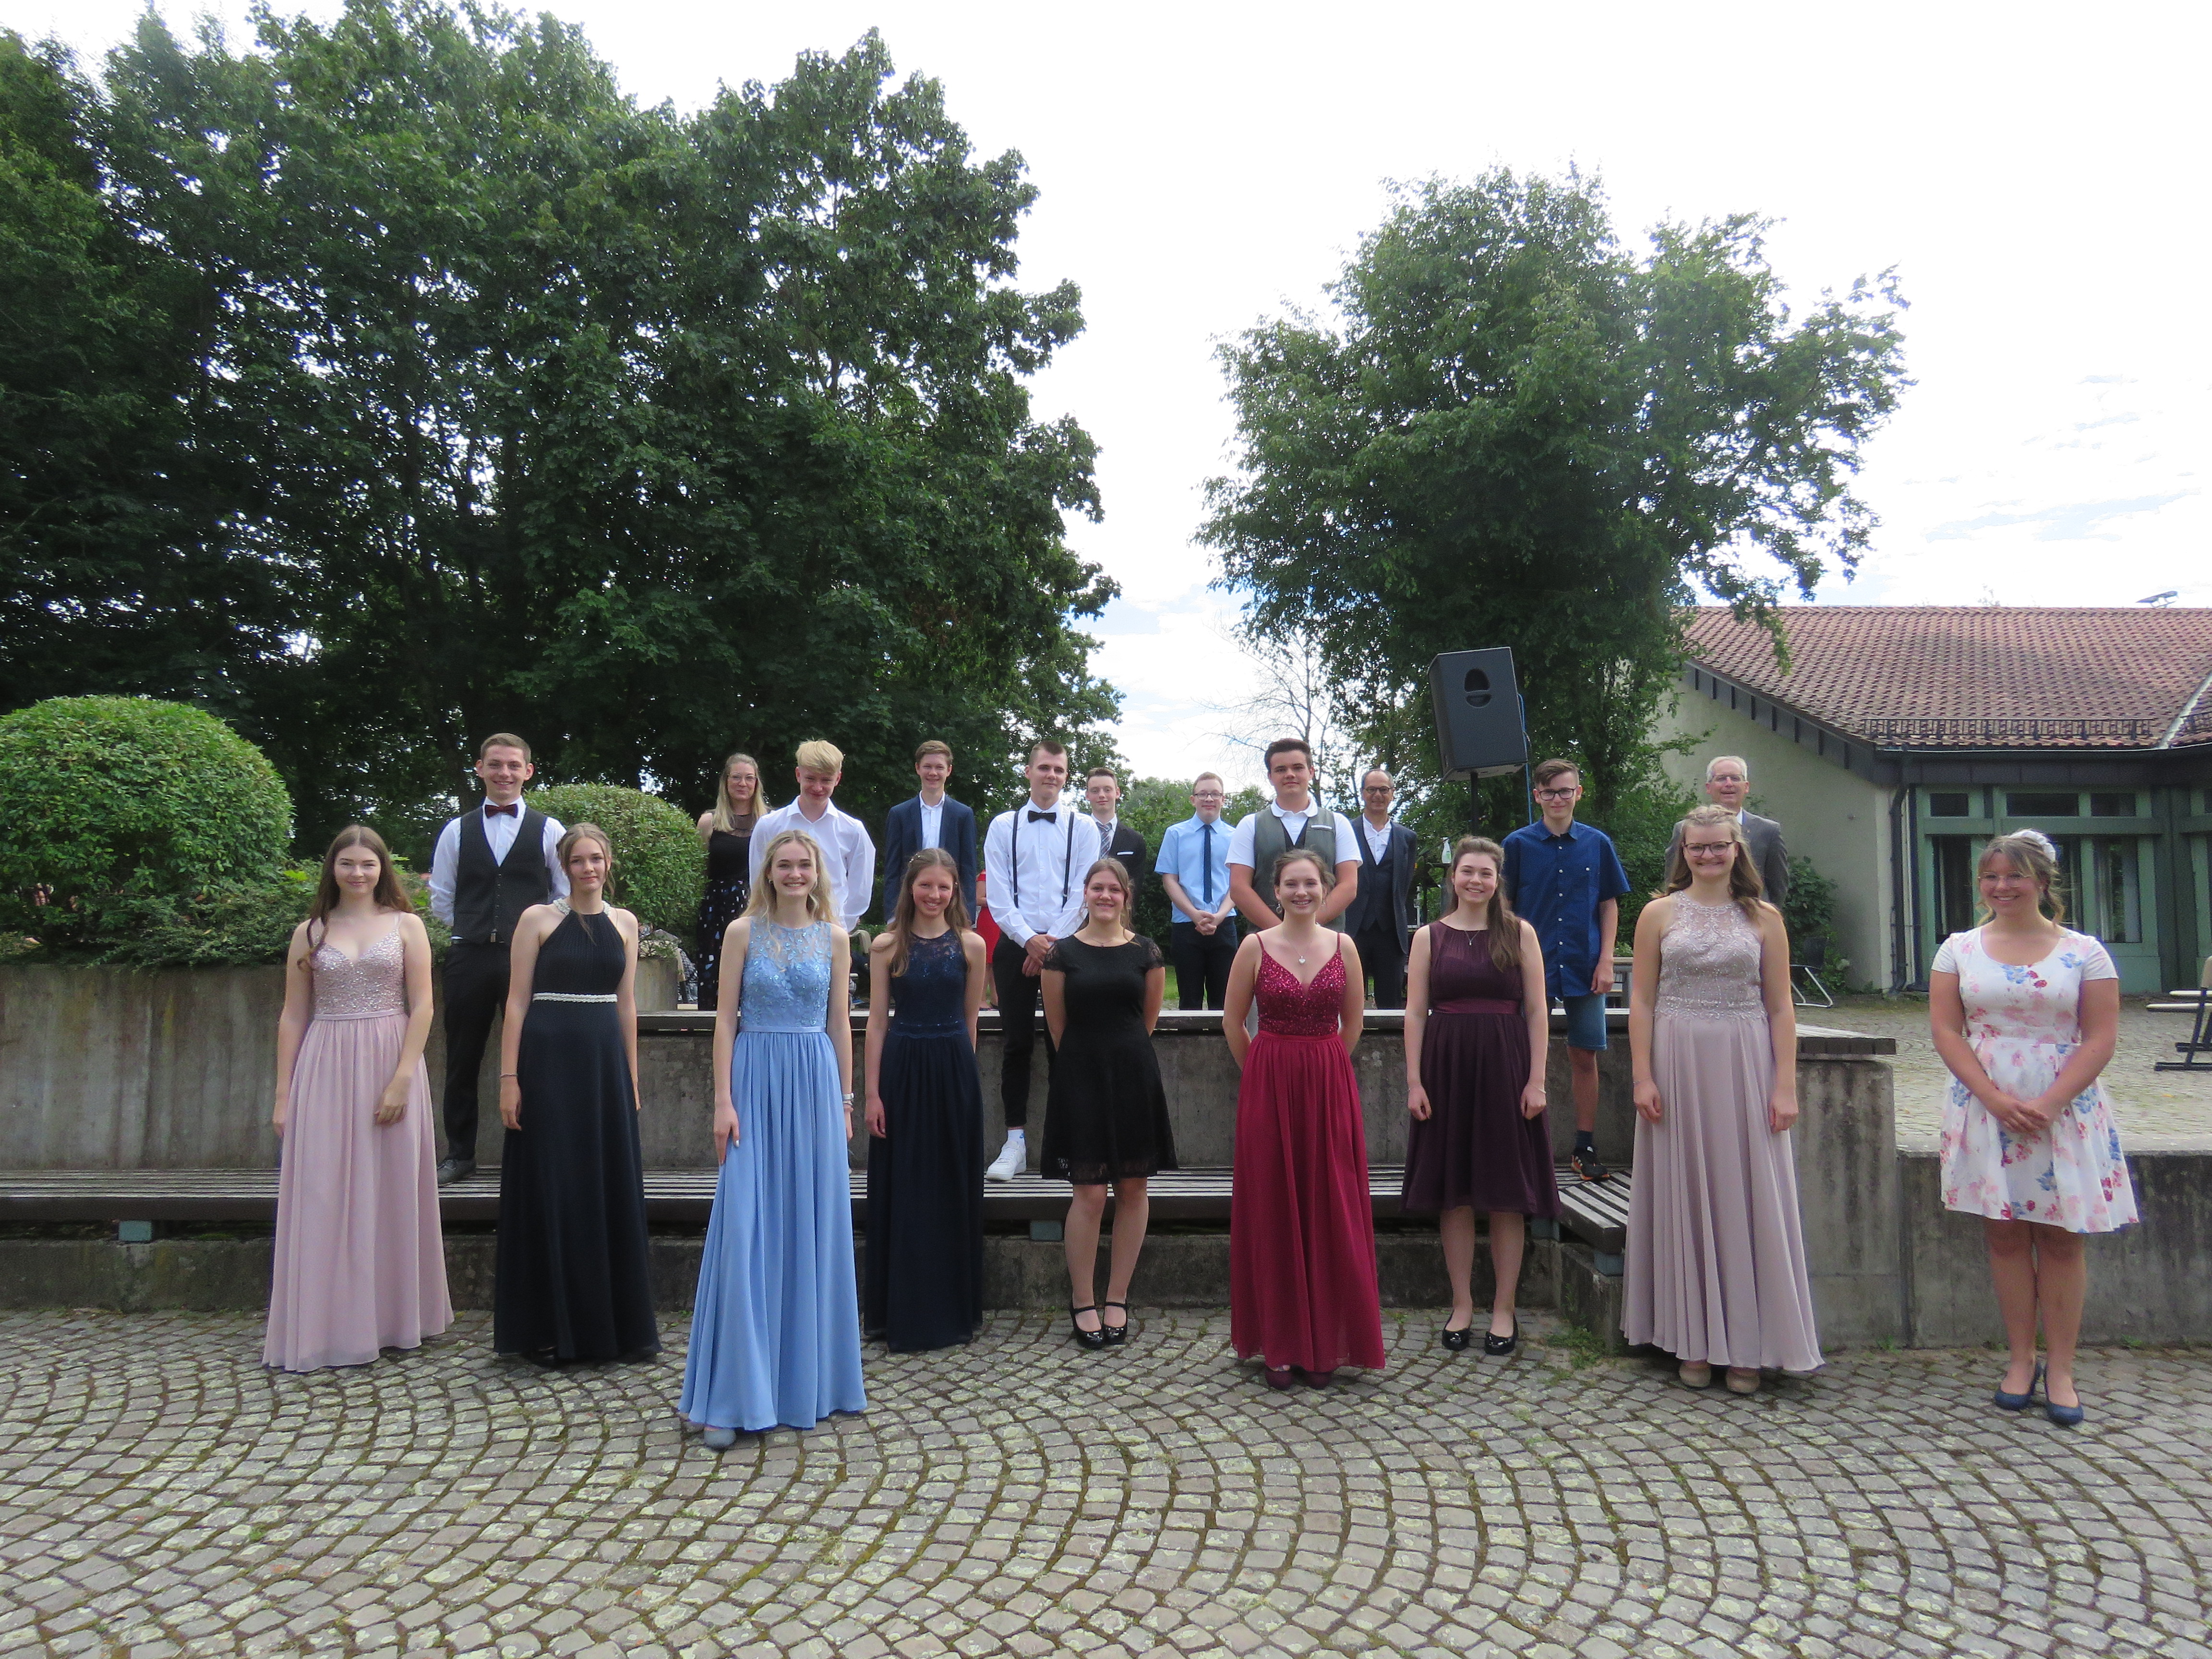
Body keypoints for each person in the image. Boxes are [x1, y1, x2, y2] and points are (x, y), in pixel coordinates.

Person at [1928, 829, 2136, 1427]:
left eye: (2014, 875)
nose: (2002, 887)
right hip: (1985, 1104)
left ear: (2042, 882)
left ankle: (2062, 1368)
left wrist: (2051, 1101)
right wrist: (1993, 1098)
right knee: (2004, 1234)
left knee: (2064, 1237)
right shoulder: (1958, 950)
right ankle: (2020, 1359)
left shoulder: (2085, 952)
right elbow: (1946, 1031)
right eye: (1991, 877)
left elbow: (2101, 1036)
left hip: (2063, 1107)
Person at [1623, 804, 1819, 1394]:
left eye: (1718, 846)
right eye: (1697, 847)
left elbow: (1781, 1006)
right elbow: (1641, 1001)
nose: (1707, 855)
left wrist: (1784, 1085)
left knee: (1746, 1196)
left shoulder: (1765, 918)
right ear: (1683, 853)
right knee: (1683, 1192)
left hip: (1745, 1062)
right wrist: (1642, 1077)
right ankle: (1692, 1338)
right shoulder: (1658, 914)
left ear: (1737, 850)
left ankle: (1748, 1345)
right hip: (1676, 1063)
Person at [682, 829, 867, 1443]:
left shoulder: (836, 938)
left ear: (817, 872)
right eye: (784, 865)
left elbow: (840, 1024)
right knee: (746, 1229)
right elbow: (724, 1022)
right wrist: (723, 1102)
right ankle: (731, 1395)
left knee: (809, 1228)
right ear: (768, 872)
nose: (794, 874)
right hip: (755, 1080)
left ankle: (808, 1385)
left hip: (814, 1083)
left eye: (803, 865)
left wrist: (845, 1101)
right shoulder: (742, 932)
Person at [265, 826, 450, 1372]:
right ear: (332, 869)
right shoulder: (310, 932)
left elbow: (423, 1006)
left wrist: (402, 1079)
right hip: (325, 1064)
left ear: (382, 869)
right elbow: (292, 1015)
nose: (358, 873)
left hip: (392, 1057)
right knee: (324, 1191)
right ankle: (328, 1325)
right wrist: (283, 1093)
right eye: (347, 863)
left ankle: (394, 1319)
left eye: (368, 864)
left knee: (391, 1189)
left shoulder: (408, 925)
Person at [492, 823, 659, 1366]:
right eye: (578, 861)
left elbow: (627, 1005)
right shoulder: (537, 919)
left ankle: (613, 1328)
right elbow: (517, 1002)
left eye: (597, 859)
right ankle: (546, 1326)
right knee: (553, 1185)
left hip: (604, 1067)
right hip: (546, 1064)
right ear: (564, 867)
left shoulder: (626, 923)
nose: (589, 868)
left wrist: (631, 1078)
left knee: (605, 1184)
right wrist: (509, 1078)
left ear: (609, 864)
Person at [1223, 846, 1384, 1389]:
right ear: (1276, 891)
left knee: (1330, 1206)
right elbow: (1232, 1023)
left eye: (1311, 883)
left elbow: (1353, 1024)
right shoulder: (1254, 946)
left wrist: (1323, 1068)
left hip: (1328, 1084)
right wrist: (1261, 1075)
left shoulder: (1344, 946)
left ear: (1325, 889)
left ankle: (1325, 1343)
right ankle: (1280, 1343)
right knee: (1273, 1207)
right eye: (1291, 884)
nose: (1302, 892)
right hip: (1269, 1086)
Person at [1401, 837, 1557, 1358]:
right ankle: (1462, 1304)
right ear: (1454, 877)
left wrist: (1536, 1080)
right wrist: (1415, 1081)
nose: (1475, 881)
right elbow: (1415, 1012)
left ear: (1497, 880)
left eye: (1485, 873)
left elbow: (1537, 1010)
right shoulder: (1429, 936)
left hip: (1506, 1068)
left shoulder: (1519, 932)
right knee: (1456, 1193)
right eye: (1468, 871)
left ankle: (1505, 1308)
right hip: (1446, 1069)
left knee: (1507, 1193)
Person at [1040, 857, 1174, 1349]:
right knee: (1090, 1193)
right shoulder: (1062, 953)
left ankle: (1117, 1297)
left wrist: (1122, 1054)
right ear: (1085, 893)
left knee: (1134, 1187)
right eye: (1097, 887)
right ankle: (1082, 1300)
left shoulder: (1146, 951)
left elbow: (1148, 1020)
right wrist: (1085, 1062)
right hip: (1081, 1076)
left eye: (1114, 889)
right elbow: (1057, 1026)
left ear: (1126, 896)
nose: (1105, 896)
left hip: (1133, 1074)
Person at [863, 849, 991, 1351]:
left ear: (955, 891)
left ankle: (952, 1306)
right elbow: (877, 1023)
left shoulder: (972, 945)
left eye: (943, 887)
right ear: (910, 888)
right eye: (926, 886)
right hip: (902, 1069)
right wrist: (872, 1093)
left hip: (953, 1070)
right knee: (905, 1186)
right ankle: (900, 1309)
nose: (934, 895)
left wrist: (963, 1081)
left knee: (951, 1184)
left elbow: (971, 1020)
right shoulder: (886, 945)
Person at [427, 733, 567, 1184]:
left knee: (533, 1057)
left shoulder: (550, 830)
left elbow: (564, 896)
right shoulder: (456, 830)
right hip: (468, 957)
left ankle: (532, 1155)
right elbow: (442, 897)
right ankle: (459, 1154)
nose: (504, 773)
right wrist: (472, 926)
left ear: (528, 771)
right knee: (461, 1057)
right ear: (480, 769)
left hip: (527, 960)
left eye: (513, 765)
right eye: (495, 764)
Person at [1501, 758, 1630, 1183]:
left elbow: (1608, 905)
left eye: (1565, 791)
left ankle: (1584, 1146)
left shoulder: (1598, 843)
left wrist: (1607, 960)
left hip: (1584, 964)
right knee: (1521, 1054)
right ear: (1537, 796)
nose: (1558, 799)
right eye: (1549, 792)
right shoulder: (1517, 845)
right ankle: (1519, 1147)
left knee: (1584, 1054)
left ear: (1579, 793)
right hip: (1529, 966)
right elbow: (1503, 908)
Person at [982, 740, 1090, 1179]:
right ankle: (1015, 1143)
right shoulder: (1003, 826)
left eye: (1059, 770)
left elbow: (1084, 892)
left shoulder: (1083, 827)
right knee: (1017, 1043)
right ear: (1028, 772)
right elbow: (998, 895)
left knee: (1067, 1041)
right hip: (1016, 942)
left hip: (1069, 942)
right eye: (1044, 768)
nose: (1052, 776)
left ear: (1066, 776)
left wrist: (1050, 946)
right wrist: (1029, 941)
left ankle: (1068, 1142)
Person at [749, 738, 878, 997]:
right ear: (798, 774)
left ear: (838, 779)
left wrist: (839, 928)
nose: (818, 787)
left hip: (831, 936)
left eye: (826, 780)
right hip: (777, 934)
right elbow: (758, 881)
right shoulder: (769, 826)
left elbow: (860, 891)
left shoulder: (853, 830)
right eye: (811, 779)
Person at [1227, 739, 1360, 933]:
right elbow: (1239, 888)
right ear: (1270, 776)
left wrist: (1309, 929)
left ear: (1311, 772)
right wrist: (1281, 933)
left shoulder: (1338, 823)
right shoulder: (1250, 825)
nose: (1290, 774)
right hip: (1265, 941)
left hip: (1326, 940)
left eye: (1298, 768)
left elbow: (1349, 886)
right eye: (1281, 770)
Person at [1154, 773, 1239, 1010]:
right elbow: (1170, 880)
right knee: (1189, 1001)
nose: (1209, 799)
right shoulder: (1175, 834)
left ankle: (1221, 1037)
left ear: (1223, 799)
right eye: (1203, 794)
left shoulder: (1236, 837)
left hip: (1224, 924)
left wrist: (1220, 915)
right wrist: (1194, 914)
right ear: (1193, 799)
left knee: (1224, 1003)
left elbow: (1238, 883)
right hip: (1186, 925)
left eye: (1215, 794)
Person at [693, 751, 767, 1011]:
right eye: (736, 777)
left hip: (758, 906)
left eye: (749, 778)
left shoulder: (769, 822)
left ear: (757, 783)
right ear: (726, 781)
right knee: (714, 969)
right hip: (716, 908)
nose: (742, 783)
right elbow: (698, 871)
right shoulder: (709, 822)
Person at [1667, 755, 1788, 908]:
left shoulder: (1768, 831)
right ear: (1709, 787)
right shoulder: (1684, 829)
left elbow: (1778, 888)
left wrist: (1767, 916)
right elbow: (1674, 878)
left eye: (1735, 778)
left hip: (1752, 913)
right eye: (1722, 779)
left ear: (1746, 787)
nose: (1729, 784)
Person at [879, 739, 979, 922]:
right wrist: (893, 917)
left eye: (939, 767)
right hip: (908, 907)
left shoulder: (963, 815)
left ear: (949, 770)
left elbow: (968, 870)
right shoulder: (899, 814)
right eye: (927, 767)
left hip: (950, 907)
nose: (933, 773)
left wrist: (967, 917)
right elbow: (892, 870)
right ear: (918, 768)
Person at [1343, 768, 1419, 1008]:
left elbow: (1404, 884)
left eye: (1384, 790)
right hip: (1352, 928)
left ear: (1392, 793)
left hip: (1391, 931)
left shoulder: (1407, 837)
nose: (1378, 795)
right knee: (1348, 1000)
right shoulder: (1345, 832)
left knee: (1391, 1003)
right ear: (1363, 793)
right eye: (1372, 790)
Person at [1084, 767, 1148, 900]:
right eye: (1095, 791)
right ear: (1087, 795)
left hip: (1118, 910)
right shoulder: (1075, 835)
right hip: (1077, 910)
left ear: (1117, 793)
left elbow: (1135, 888)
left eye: (1107, 790)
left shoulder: (1135, 840)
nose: (1102, 795)